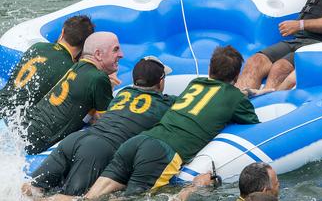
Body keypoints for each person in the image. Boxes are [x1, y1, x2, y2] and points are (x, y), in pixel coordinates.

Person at [84, 45, 260, 198]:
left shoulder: (195, 83)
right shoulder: (236, 99)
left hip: (138, 142)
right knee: (136, 198)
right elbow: (253, 126)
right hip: (162, 153)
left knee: (90, 196)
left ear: (209, 69)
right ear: (237, 75)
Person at [23, 56, 175, 198]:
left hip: (75, 140)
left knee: (31, 188)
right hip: (99, 150)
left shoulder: (123, 93)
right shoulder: (166, 104)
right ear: (160, 82)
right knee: (74, 199)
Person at [20, 31, 123, 155]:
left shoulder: (77, 66)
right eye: (115, 50)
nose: (121, 55)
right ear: (98, 54)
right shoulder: (98, 78)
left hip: (24, 125)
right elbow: (105, 124)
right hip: (35, 141)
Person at [0, 15, 94, 122]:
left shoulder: (38, 47)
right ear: (84, 45)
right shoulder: (72, 71)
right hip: (16, 120)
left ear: (62, 32)